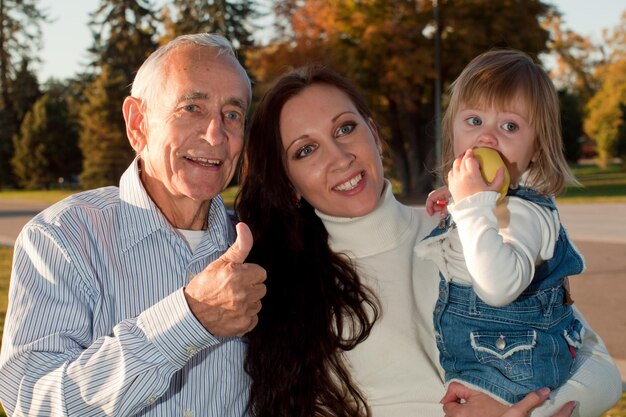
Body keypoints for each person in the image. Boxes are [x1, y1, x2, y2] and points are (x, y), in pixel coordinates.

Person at [235, 65, 622, 417]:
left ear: (374, 132)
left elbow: (598, 368)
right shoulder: (290, 293)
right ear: (289, 184)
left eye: (345, 128)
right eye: (306, 150)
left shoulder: (471, 231)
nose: (340, 157)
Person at [0, 33, 266, 416]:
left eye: (232, 114)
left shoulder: (259, 245)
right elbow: (34, 404)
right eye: (192, 107)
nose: (215, 134)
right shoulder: (60, 239)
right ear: (138, 123)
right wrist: (189, 318)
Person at [417, 49, 592, 405]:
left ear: (537, 149)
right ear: (452, 132)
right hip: (482, 366)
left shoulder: (526, 215)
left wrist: (469, 207)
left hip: (513, 376)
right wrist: (458, 197)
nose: (487, 138)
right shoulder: (492, 201)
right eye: (474, 121)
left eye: (509, 126)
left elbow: (497, 289)